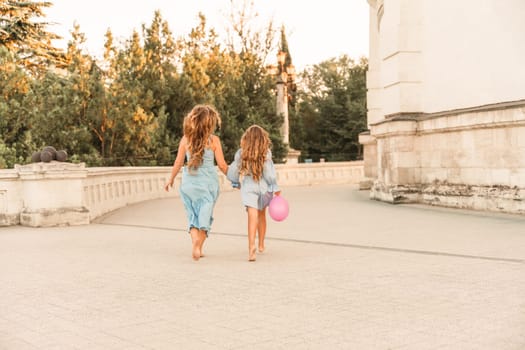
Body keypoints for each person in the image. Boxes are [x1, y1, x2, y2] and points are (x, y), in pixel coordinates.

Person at [164, 104, 228, 261]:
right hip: (207, 186)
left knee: (193, 217)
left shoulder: (186, 140)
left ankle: (195, 244)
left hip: (188, 186)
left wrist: (170, 179)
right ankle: (198, 245)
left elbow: (178, 162)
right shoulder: (214, 141)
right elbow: (222, 165)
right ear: (210, 123)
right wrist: (234, 178)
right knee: (205, 218)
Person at [227, 125, 280, 262]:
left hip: (249, 186)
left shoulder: (241, 152)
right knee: (262, 216)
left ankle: (251, 249)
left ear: (246, 137)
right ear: (263, 138)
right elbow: (269, 172)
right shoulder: (266, 152)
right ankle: (261, 245)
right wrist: (274, 186)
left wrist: (235, 183)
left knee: (252, 216)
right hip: (264, 187)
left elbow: (233, 170)